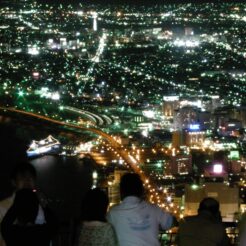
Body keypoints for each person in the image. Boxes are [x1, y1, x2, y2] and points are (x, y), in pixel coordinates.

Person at [107, 172, 174, 246]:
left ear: (121, 191)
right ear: (141, 191)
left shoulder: (113, 213)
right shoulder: (154, 209)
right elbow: (169, 223)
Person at [0, 162, 46, 246]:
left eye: (30, 178)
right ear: (14, 182)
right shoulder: (2, 207)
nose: (27, 181)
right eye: (22, 178)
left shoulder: (40, 204)